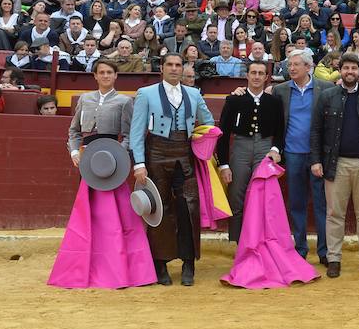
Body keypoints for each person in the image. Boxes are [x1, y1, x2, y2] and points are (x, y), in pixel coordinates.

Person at [49, 58, 156, 288]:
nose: (106, 76)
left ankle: (114, 262)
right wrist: (74, 153)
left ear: (116, 76)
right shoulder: (85, 99)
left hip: (112, 162)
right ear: (95, 76)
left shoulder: (125, 101)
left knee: (112, 214)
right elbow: (74, 130)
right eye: (102, 72)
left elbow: (129, 134)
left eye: (110, 72)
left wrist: (120, 156)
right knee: (88, 211)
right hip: (89, 160)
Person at [130, 53, 215, 287]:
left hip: (184, 153)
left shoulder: (194, 93)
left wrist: (204, 146)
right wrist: (139, 164)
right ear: (162, 68)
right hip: (156, 152)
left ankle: (189, 262)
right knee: (160, 209)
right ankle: (160, 263)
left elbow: (208, 124)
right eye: (170, 65)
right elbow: (136, 132)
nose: (175, 69)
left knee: (189, 207)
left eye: (179, 65)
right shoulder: (146, 93)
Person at [310, 53, 359, 278]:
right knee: (335, 213)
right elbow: (316, 130)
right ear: (340, 70)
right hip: (336, 162)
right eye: (346, 68)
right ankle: (334, 258)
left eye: (354, 68)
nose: (350, 72)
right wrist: (316, 160)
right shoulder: (327, 96)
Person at [272, 50, 333, 265]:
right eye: (290, 64)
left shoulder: (326, 89)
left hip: (317, 156)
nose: (292, 68)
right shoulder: (279, 91)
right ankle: (300, 248)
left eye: (296, 64)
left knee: (321, 204)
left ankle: (325, 251)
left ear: (308, 67)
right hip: (292, 153)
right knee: (296, 203)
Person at [216, 61, 284, 242]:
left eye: (260, 73)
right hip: (240, 147)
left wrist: (276, 149)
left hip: (264, 148)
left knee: (262, 198)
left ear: (266, 77)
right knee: (237, 195)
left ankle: (259, 241)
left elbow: (280, 131)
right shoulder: (234, 100)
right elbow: (223, 134)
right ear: (247, 75)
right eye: (253, 72)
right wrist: (223, 164)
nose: (256, 76)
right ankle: (237, 242)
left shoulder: (274, 102)